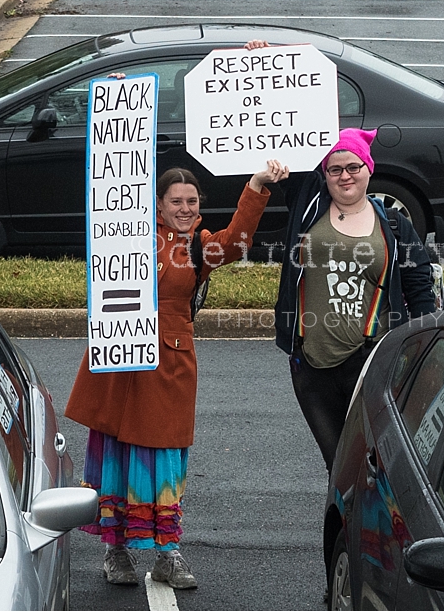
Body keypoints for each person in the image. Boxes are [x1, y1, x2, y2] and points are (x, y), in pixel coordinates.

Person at [65, 159, 289, 588]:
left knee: (165, 457)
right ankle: (116, 551)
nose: (185, 208)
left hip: (169, 363)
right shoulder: (128, 235)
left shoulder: (199, 245)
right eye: (176, 202)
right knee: (117, 455)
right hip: (120, 357)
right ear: (158, 205)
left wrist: (257, 186)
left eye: (192, 201)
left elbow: (236, 244)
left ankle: (167, 553)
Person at [273, 126, 437, 473]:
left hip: (370, 363)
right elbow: (279, 135)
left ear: (369, 169)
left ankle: (365, 526)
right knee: (339, 466)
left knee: (372, 463)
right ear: (324, 174)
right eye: (335, 169)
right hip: (312, 366)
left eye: (353, 167)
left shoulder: (393, 224)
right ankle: (346, 526)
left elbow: (420, 285)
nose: (344, 175)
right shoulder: (308, 206)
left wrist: (420, 347)